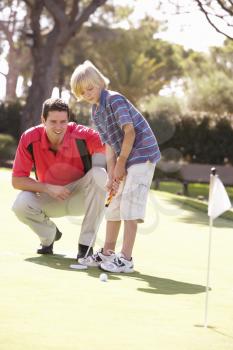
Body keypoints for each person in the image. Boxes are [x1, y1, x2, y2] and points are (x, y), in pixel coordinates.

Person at [70, 60, 161, 273]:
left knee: (130, 205)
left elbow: (130, 132)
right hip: (125, 158)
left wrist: (121, 163)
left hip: (142, 155)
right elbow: (109, 144)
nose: (88, 94)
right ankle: (108, 253)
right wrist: (112, 174)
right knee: (114, 204)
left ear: (100, 82)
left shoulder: (114, 99)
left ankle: (126, 259)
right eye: (83, 93)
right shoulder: (95, 112)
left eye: (90, 88)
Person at [12, 97, 107, 259]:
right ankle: (49, 236)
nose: (58, 127)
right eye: (53, 121)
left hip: (81, 197)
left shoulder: (84, 135)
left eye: (63, 122)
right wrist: (47, 188)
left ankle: (85, 246)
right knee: (20, 204)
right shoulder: (29, 138)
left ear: (68, 120)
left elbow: (110, 151)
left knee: (100, 174)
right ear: (43, 120)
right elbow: (17, 180)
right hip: (49, 197)